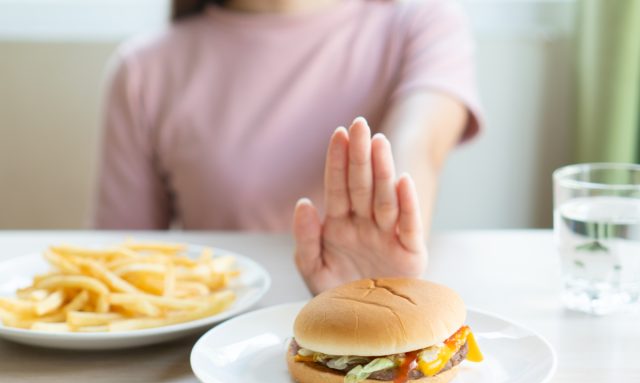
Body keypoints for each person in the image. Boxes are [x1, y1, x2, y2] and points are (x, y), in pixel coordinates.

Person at [94, 0, 482, 294]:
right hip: (208, 348)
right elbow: (121, 264)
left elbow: (417, 146)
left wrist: (380, 260)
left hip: (368, 311)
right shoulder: (142, 69)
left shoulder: (422, 25)